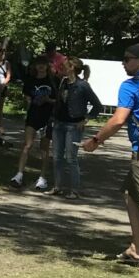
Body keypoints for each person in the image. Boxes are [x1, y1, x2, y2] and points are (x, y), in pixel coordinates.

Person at [82, 43, 139, 267]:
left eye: (127, 59)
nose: (123, 63)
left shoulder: (131, 85)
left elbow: (118, 119)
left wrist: (96, 140)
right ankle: (137, 248)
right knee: (130, 193)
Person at [49, 57, 98, 198]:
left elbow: (97, 105)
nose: (62, 68)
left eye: (65, 66)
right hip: (59, 123)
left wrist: (85, 119)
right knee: (57, 157)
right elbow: (60, 102)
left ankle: (74, 190)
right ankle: (57, 186)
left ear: (72, 68)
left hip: (73, 125)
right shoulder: (63, 82)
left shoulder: (83, 85)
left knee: (71, 158)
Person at [10, 55, 55, 190]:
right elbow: (27, 96)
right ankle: (19, 174)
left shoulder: (53, 81)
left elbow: (58, 100)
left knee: (44, 148)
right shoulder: (30, 80)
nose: (41, 67)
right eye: (38, 64)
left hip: (47, 117)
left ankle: (42, 178)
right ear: (35, 66)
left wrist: (47, 100)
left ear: (47, 66)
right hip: (33, 115)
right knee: (27, 145)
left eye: (43, 64)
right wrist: (29, 101)